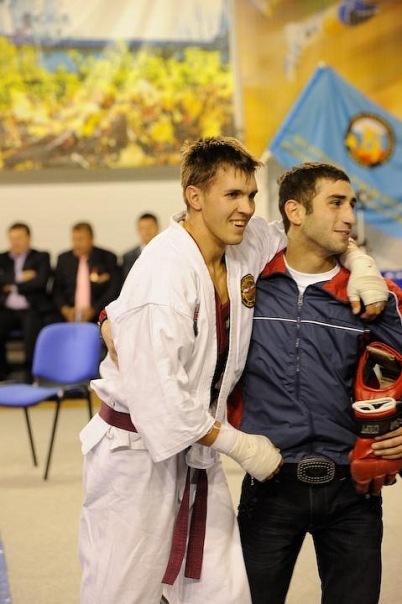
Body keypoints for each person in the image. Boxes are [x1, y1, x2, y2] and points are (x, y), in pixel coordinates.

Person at [78, 139, 387, 604]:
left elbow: (309, 233)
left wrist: (362, 263)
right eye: (232, 195)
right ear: (194, 196)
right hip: (137, 452)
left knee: (222, 591)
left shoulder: (242, 244)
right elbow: (160, 402)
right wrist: (239, 444)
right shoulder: (164, 276)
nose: (246, 208)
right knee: (123, 588)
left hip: (198, 450)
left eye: (251, 195)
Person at [236, 162, 402, 604]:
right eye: (336, 203)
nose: (350, 217)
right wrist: (109, 319)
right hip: (269, 485)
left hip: (353, 492)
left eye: (352, 205)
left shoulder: (371, 294)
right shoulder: (248, 285)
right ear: (295, 211)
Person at [0, 222, 53, 382]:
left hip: (31, 307)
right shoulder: (3, 258)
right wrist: (21, 277)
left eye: (19, 238)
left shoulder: (41, 256)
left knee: (31, 329)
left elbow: (40, 282)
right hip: (7, 309)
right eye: (12, 238)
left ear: (29, 238)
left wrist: (11, 285)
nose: (15, 242)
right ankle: (3, 373)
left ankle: (30, 374)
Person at [52, 222, 121, 323]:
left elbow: (114, 289)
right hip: (69, 315)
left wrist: (94, 309)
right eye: (74, 239)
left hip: (100, 314)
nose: (77, 244)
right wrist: (65, 309)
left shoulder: (107, 258)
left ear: (91, 239)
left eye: (81, 239)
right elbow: (57, 289)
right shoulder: (63, 259)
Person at [121, 212, 160, 280]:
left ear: (157, 227)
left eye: (150, 227)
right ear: (138, 230)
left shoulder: (168, 251)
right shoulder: (128, 257)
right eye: (142, 228)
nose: (146, 231)